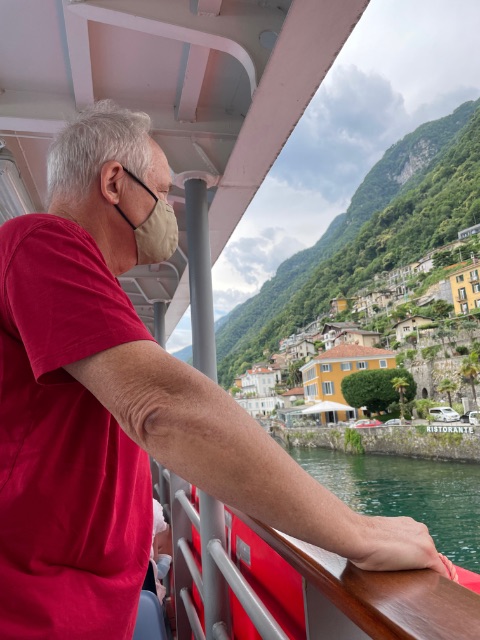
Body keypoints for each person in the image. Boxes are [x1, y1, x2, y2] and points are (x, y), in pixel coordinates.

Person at [0, 101, 449, 639]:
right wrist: (360, 533)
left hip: (84, 608)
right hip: (34, 612)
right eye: (162, 192)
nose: (169, 209)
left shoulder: (84, 286)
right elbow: (165, 410)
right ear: (115, 182)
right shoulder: (42, 242)